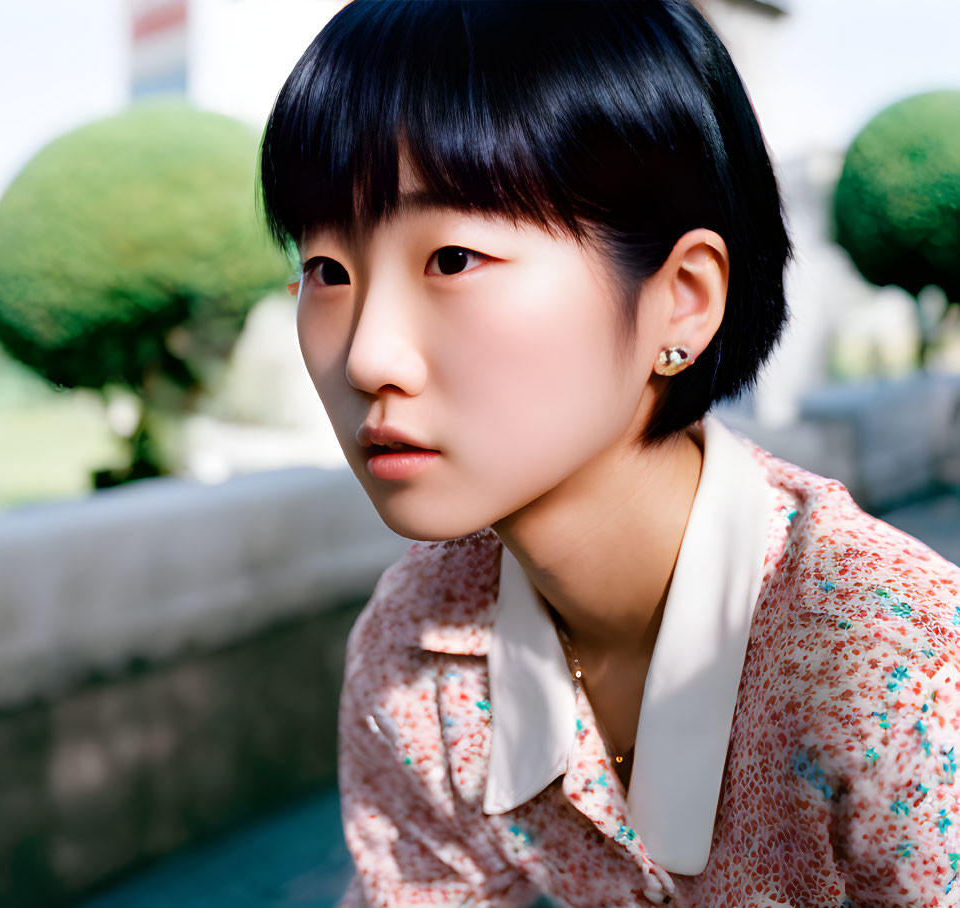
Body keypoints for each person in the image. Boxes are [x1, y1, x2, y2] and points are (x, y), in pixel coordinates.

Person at [257, 1, 960, 905]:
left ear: (681, 299)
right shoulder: (415, 648)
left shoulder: (900, 679)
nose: (365, 356)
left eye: (453, 258)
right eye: (326, 271)